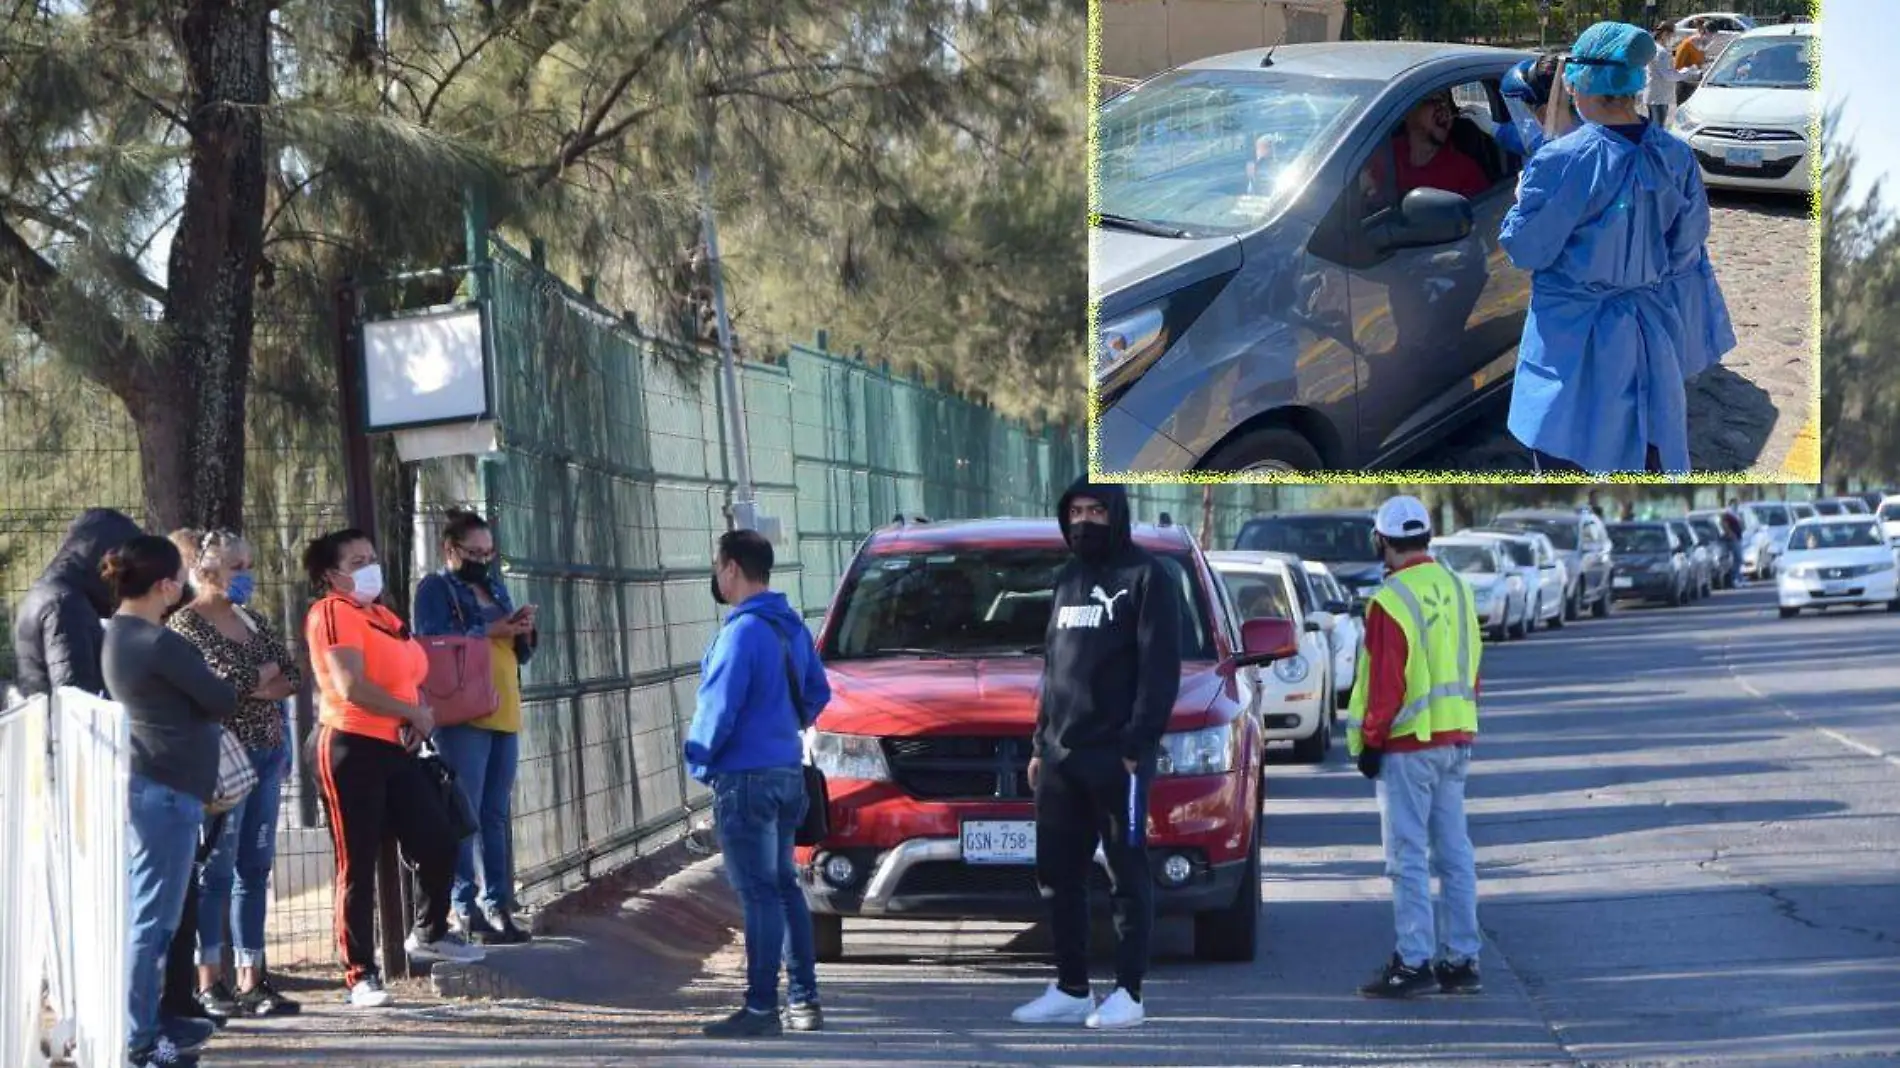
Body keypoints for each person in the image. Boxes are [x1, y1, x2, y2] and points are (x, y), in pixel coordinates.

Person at [1499, 21, 1736, 475]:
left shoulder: (1563, 159)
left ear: (1581, 80)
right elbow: (1688, 248)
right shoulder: (1675, 154)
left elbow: (1527, 250)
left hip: (1573, 341)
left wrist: (1520, 201)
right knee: (1645, 450)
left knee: (1567, 456)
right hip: (1649, 335)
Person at [1011, 479, 1181, 1031]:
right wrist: (1040, 744)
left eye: (1096, 511)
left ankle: (1129, 993)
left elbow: (1160, 672)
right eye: (1076, 511)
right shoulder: (1067, 579)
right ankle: (1071, 987)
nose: (1084, 521)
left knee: (1127, 877)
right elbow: (1053, 670)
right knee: (1059, 877)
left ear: (1117, 514)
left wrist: (1138, 745)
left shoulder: (1148, 578)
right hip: (1061, 758)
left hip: (1119, 760)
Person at [302, 528, 484, 1009]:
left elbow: (410, 675)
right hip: (350, 744)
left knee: (440, 836)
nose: (368, 567)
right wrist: (410, 713)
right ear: (331, 574)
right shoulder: (332, 613)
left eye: (371, 557)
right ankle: (360, 972)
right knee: (356, 862)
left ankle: (429, 930)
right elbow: (349, 685)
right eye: (355, 561)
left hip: (396, 745)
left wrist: (417, 712)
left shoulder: (383, 615)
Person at [683, 528, 831, 1038]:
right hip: (788, 771)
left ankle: (762, 1007)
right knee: (785, 888)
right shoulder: (791, 627)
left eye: (717, 566)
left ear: (730, 568)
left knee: (760, 894)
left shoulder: (741, 632)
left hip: (744, 778)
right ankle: (804, 1000)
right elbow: (817, 692)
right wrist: (781, 725)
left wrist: (699, 760)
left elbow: (718, 709)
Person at [101, 535, 239, 1068]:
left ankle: (145, 1028)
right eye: (179, 576)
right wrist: (217, 682)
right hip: (168, 792)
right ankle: (139, 1040)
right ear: (165, 585)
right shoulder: (158, 643)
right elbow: (221, 696)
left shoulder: (122, 636)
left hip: (159, 788)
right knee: (153, 922)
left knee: (152, 918)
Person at [1344, 496, 1483, 1000]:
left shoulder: (1391, 600)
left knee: (1407, 857)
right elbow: (1472, 667)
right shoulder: (1458, 588)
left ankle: (1413, 961)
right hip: (1455, 738)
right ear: (1425, 536)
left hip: (1407, 746)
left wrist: (1371, 742)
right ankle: (1463, 960)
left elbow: (1386, 683)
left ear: (1381, 540)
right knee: (1454, 853)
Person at [167, 530, 303, 1018]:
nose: (246, 575)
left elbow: (290, 673)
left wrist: (257, 685)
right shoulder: (186, 625)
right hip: (224, 760)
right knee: (217, 872)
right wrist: (257, 678)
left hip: (267, 752)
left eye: (248, 564)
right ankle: (210, 980)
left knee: (255, 868)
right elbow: (216, 688)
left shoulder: (251, 618)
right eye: (236, 567)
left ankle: (253, 976)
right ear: (205, 572)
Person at [413, 508, 538, 946]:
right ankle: (464, 905)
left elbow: (516, 651)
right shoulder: (435, 587)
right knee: (465, 813)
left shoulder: (493, 585)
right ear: (451, 550)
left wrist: (521, 628)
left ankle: (498, 902)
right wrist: (492, 628)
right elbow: (433, 639)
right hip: (464, 712)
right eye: (474, 552)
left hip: (503, 708)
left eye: (489, 552)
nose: (482, 560)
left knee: (495, 813)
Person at [11, 508, 143, 698]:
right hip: (65, 723)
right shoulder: (66, 604)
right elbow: (74, 697)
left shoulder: (50, 593)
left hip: (45, 719)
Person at [1365, 90, 1491, 202]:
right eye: (1433, 99)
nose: (1443, 107)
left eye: (1445, 101)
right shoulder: (1383, 153)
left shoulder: (1466, 170)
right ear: (1406, 113)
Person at [1644, 22, 1693, 125]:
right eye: (1672, 35)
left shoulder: (1654, 48)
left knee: (1652, 129)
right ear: (1665, 34)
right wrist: (1686, 72)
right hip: (1659, 97)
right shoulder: (1661, 52)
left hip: (1654, 95)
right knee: (1658, 130)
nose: (1672, 38)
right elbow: (1668, 75)